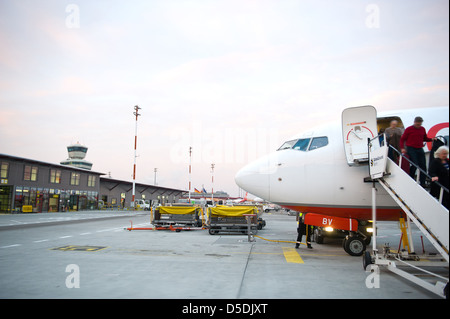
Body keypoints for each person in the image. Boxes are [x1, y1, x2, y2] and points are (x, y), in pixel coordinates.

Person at [400, 116, 435, 186]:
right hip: (411, 148)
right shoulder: (409, 129)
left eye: (420, 124)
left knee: (423, 166)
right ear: (414, 122)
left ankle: (422, 182)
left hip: (419, 148)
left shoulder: (422, 129)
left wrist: (432, 139)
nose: (418, 125)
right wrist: (402, 148)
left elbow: (424, 138)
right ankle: (411, 178)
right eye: (417, 124)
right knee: (415, 164)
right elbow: (402, 139)